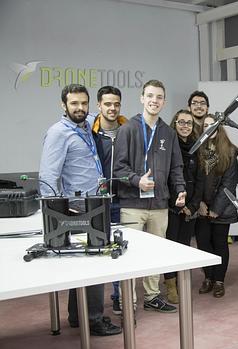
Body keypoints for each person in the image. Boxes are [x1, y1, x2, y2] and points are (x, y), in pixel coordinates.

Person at [39, 83, 121, 336]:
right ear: (63, 105)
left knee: (86, 264)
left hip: (95, 204)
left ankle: (77, 316)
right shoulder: (58, 133)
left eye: (84, 103)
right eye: (74, 103)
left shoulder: (86, 126)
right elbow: (48, 176)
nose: (80, 108)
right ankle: (94, 319)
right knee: (96, 261)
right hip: (77, 210)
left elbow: (109, 117)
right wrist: (54, 217)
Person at [114, 79, 186, 313]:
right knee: (129, 252)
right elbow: (118, 168)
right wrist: (137, 181)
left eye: (159, 97)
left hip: (159, 204)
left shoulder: (168, 132)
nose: (154, 101)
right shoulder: (127, 129)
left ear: (164, 102)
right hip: (132, 203)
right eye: (150, 96)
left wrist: (180, 188)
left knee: (156, 252)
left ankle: (152, 296)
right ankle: (128, 300)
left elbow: (176, 166)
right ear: (142, 98)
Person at [91, 85, 127, 315]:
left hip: (123, 200)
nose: (112, 108)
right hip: (97, 202)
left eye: (116, 104)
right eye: (107, 104)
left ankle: (118, 296)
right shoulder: (89, 133)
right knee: (94, 250)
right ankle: (92, 304)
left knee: (119, 249)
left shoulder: (128, 130)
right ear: (99, 106)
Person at [162, 110, 204, 304]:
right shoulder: (167, 146)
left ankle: (181, 281)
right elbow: (165, 177)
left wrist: (193, 205)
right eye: (181, 122)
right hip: (171, 207)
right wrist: (177, 205)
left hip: (190, 208)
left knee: (184, 246)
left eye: (189, 123)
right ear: (175, 123)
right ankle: (170, 284)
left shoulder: (197, 148)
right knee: (170, 247)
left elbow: (200, 180)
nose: (185, 126)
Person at [195, 114, 238, 298]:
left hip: (221, 208)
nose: (208, 127)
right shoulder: (197, 150)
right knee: (203, 243)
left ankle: (219, 280)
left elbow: (229, 184)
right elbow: (194, 181)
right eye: (205, 125)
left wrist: (216, 209)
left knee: (220, 243)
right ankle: (208, 278)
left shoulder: (229, 151)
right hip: (200, 207)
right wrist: (198, 203)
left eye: (212, 124)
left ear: (218, 127)